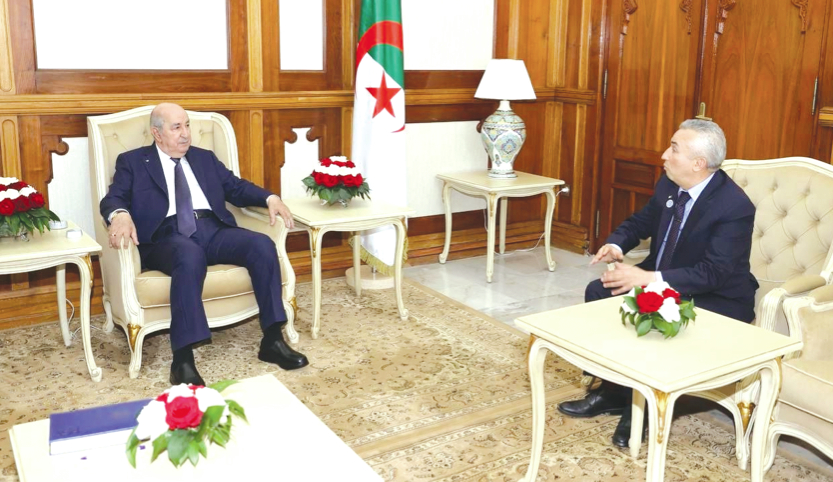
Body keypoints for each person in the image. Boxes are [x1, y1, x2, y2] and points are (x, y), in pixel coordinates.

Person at [557, 119, 758, 448]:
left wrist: (648, 278)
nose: (664, 155)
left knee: (657, 312)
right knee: (600, 291)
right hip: (665, 278)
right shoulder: (669, 184)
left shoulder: (733, 206)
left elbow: (713, 273)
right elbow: (642, 221)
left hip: (716, 295)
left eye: (674, 149)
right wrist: (617, 244)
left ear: (698, 163)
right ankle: (613, 390)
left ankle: (643, 408)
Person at [100, 103, 309, 386]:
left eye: (187, 125)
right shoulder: (133, 161)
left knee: (261, 245)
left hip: (212, 228)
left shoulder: (204, 158)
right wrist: (120, 214)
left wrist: (270, 198)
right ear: (157, 133)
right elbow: (113, 198)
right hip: (166, 236)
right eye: (177, 127)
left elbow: (235, 187)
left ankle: (272, 340)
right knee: (189, 254)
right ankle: (182, 359)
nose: (185, 133)